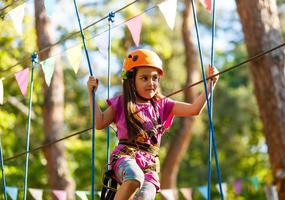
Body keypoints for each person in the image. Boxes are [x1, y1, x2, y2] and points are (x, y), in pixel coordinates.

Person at [87, 48, 219, 200]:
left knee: (146, 196)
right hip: (125, 156)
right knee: (134, 177)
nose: (151, 83)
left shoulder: (163, 105)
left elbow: (194, 109)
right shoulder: (122, 102)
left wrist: (211, 84)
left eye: (155, 78)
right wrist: (92, 94)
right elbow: (100, 122)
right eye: (144, 78)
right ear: (131, 80)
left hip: (150, 165)